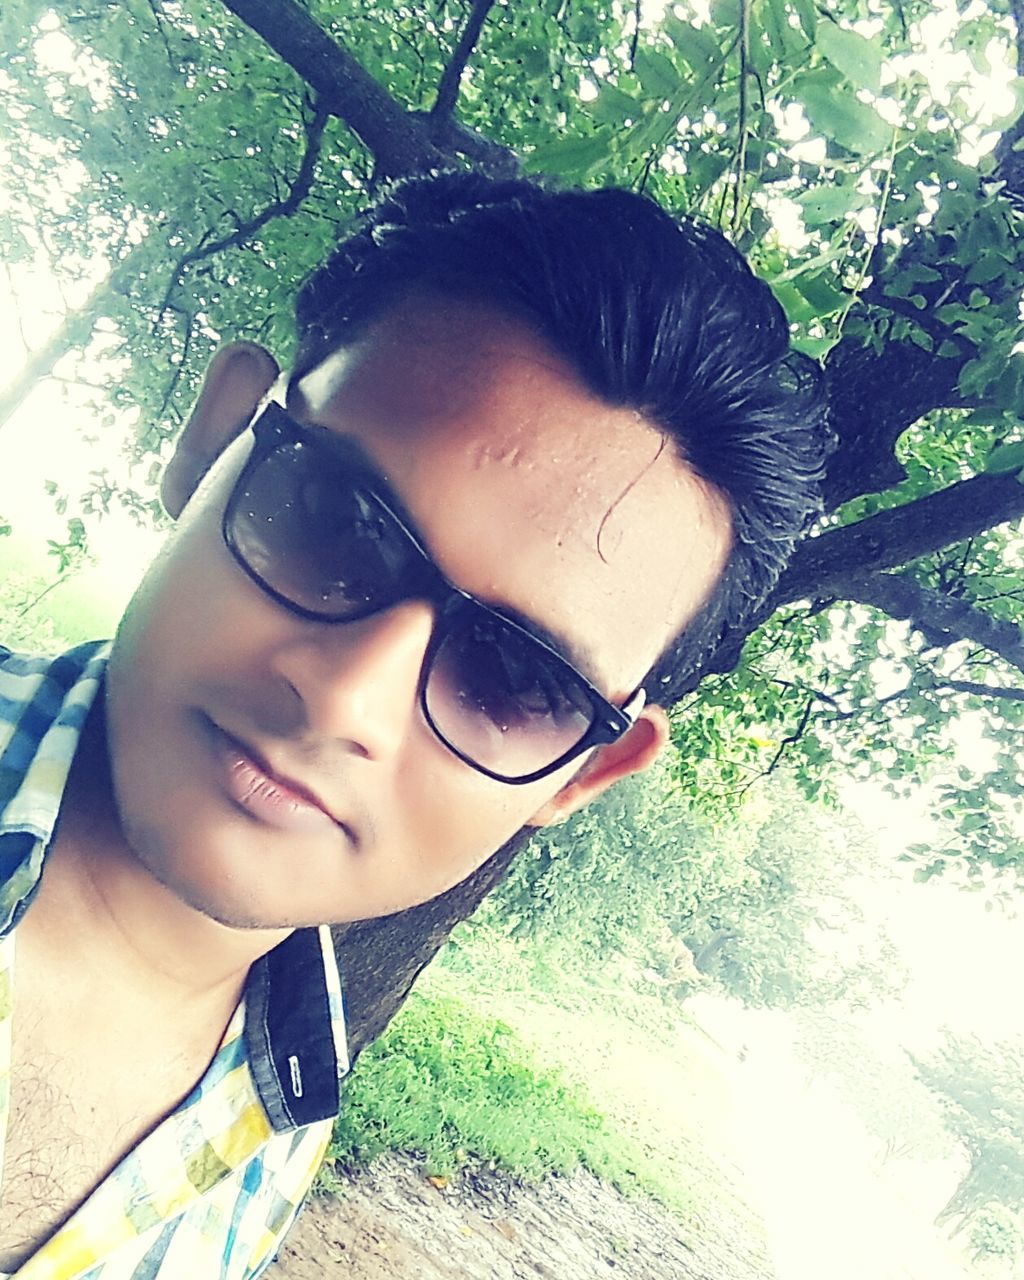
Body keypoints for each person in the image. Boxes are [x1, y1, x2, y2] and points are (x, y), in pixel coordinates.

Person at [0, 170, 829, 1277]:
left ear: (579, 775)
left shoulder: (277, 1128)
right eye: (334, 521)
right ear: (210, 443)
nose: (346, 701)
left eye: (513, 677)